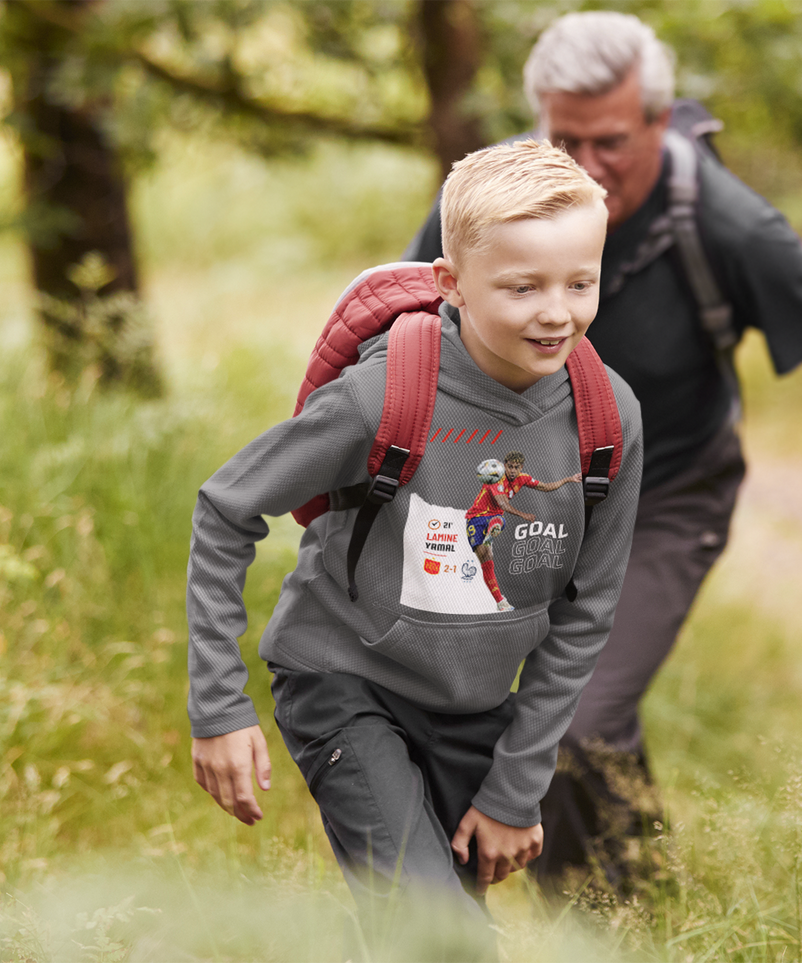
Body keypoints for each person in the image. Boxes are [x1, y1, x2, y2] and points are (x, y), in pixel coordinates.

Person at [403, 11, 802, 893]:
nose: (581, 164)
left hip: (666, 497)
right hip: (529, 497)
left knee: (564, 720)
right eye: (561, 136)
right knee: (523, 710)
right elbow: (407, 323)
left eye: (608, 141)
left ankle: (596, 926)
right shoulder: (493, 199)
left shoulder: (727, 226)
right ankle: (643, 899)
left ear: (661, 120)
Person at [186, 140, 643, 957]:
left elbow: (586, 615)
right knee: (442, 939)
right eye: (522, 286)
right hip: (343, 680)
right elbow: (226, 509)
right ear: (450, 283)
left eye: (581, 282)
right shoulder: (380, 396)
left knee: (420, 930)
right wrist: (219, 706)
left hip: (472, 707)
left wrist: (515, 788)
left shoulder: (608, 419)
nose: (556, 312)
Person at [465, 451, 581, 610]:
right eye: (510, 466)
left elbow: (545, 487)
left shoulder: (523, 478)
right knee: (485, 558)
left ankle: (501, 603)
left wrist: (568, 479)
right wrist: (523, 515)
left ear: (521, 468)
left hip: (494, 517)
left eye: (516, 467)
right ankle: (491, 534)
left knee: (498, 521)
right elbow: (504, 505)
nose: (513, 470)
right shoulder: (496, 477)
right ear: (504, 466)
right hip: (475, 519)